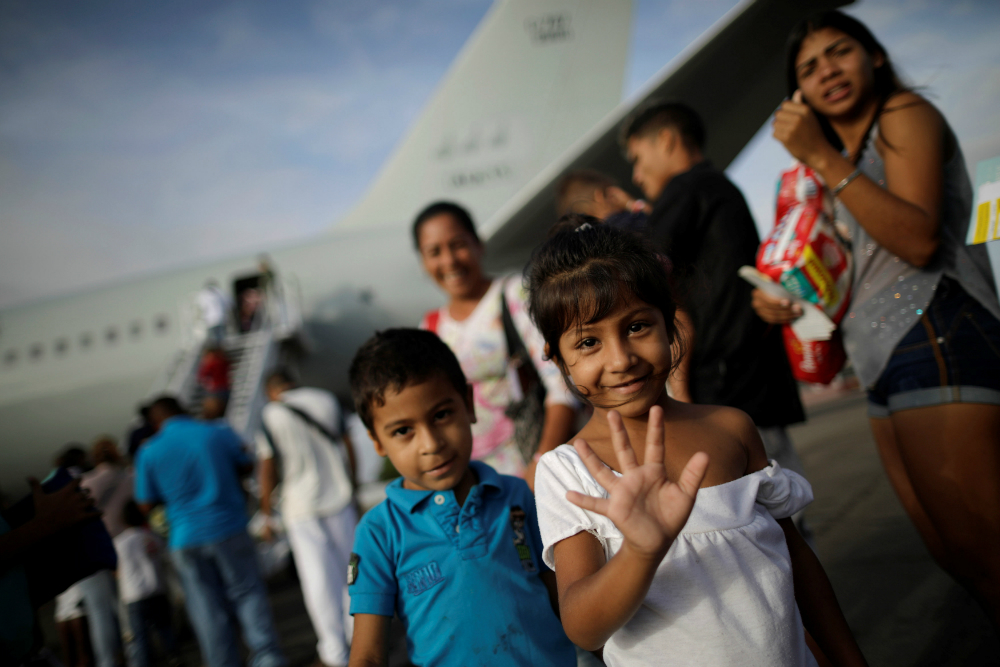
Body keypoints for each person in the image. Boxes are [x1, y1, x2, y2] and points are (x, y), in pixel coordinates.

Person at [751, 10, 1000, 627]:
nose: (826, 70)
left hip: (937, 332)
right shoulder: (839, 166)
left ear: (876, 58)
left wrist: (819, 155)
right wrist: (785, 302)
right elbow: (852, 274)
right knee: (953, 553)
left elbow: (916, 240)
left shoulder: (902, 115)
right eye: (809, 67)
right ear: (798, 93)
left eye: (840, 51)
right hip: (883, 357)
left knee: (987, 551)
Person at [526, 221, 867, 666]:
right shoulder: (567, 472)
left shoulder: (731, 430)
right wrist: (640, 552)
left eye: (637, 327)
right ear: (557, 357)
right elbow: (583, 625)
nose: (621, 358)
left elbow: (796, 561)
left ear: (670, 324)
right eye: (588, 341)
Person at [346, 328, 577, 667]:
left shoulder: (518, 497)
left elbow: (565, 601)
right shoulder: (379, 533)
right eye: (402, 431)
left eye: (441, 415)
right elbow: (367, 656)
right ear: (377, 442)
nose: (431, 443)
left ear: (468, 404)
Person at [621, 101, 811, 505]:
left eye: (638, 159)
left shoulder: (687, 189)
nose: (636, 175)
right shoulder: (721, 188)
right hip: (754, 379)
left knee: (748, 512)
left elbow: (639, 271)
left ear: (668, 140)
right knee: (784, 510)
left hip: (725, 387)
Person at [413, 201, 576, 488]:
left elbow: (562, 384)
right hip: (475, 485)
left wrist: (540, 467)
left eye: (458, 244)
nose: (449, 260)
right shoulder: (430, 329)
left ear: (479, 244)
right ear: (423, 262)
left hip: (536, 469)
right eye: (434, 252)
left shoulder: (516, 295)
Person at [134, 396, 286, 667]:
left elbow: (145, 503)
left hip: (184, 537)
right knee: (247, 594)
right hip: (228, 526)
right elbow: (247, 463)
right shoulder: (217, 432)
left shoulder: (149, 451)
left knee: (206, 609)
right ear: (183, 410)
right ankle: (267, 657)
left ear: (156, 421)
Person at [257, 369, 358, 667]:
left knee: (318, 581)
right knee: (352, 573)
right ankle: (362, 639)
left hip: (300, 508)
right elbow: (347, 444)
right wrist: (353, 484)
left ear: (271, 390)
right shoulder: (325, 399)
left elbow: (268, 466)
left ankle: (334, 651)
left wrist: (265, 512)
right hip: (339, 497)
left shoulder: (271, 413)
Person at [78, 437, 134, 667]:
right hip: (127, 546)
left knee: (100, 614)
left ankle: (107, 662)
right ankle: (135, 656)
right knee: (127, 610)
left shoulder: (87, 482)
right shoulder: (130, 477)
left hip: (95, 550)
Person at [113, 500, 175, 667]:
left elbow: (116, 570)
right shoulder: (152, 537)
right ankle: (174, 658)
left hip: (133, 595)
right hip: (157, 589)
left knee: (140, 638)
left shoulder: (119, 543)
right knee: (165, 630)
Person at [555, 169, 650, 233]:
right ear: (600, 197)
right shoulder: (630, 222)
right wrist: (630, 203)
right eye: (613, 194)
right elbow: (658, 218)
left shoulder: (592, 253)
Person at [197, 346, 231, 420]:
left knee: (214, 411)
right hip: (224, 388)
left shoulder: (210, 364)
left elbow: (202, 376)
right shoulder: (222, 361)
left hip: (216, 389)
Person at [196, 280, 232, 345]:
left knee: (214, 339)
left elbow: (202, 307)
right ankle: (222, 348)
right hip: (221, 319)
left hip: (211, 321)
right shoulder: (221, 293)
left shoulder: (203, 295)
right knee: (222, 337)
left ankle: (218, 349)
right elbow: (228, 304)